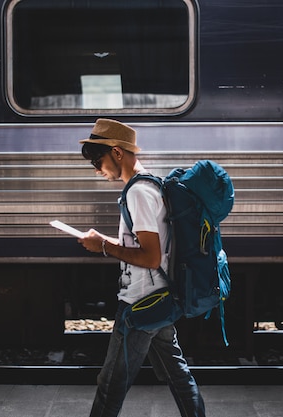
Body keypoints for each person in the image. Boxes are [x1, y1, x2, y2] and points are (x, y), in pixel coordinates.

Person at [77, 118, 206, 417]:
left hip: (140, 303)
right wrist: (100, 240)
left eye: (99, 160)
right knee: (178, 375)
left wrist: (105, 247)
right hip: (159, 298)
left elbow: (150, 256)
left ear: (117, 153)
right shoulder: (148, 185)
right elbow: (146, 248)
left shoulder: (138, 192)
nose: (98, 169)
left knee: (111, 384)